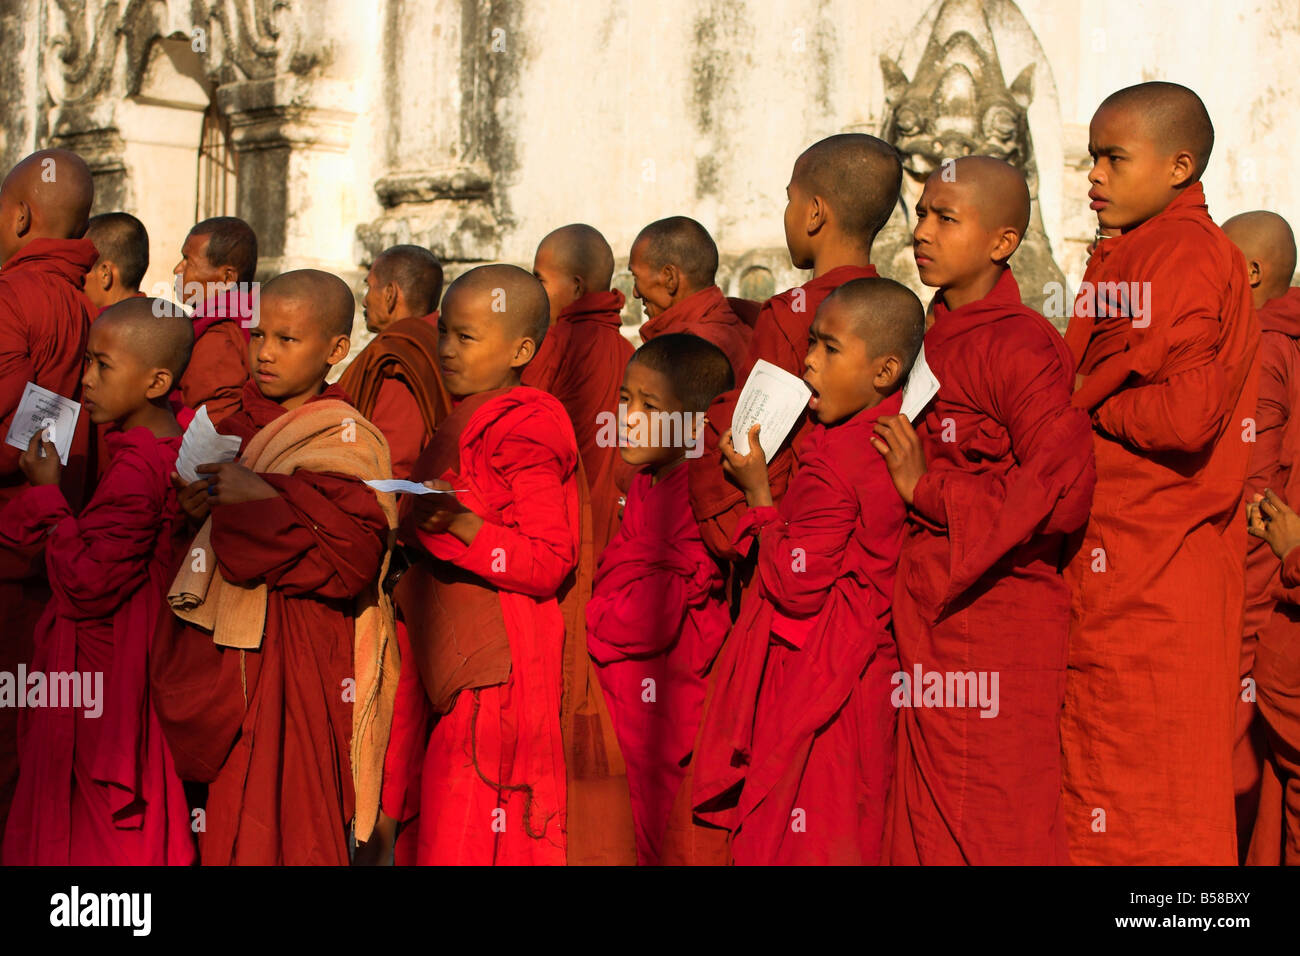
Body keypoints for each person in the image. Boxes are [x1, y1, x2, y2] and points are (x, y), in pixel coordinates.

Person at [875, 157, 1096, 864]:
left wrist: (928, 489)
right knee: (926, 818)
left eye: (946, 218)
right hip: (928, 605)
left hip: (994, 615)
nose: (922, 231)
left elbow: (1062, 491)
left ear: (1002, 242)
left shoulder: (1021, 344)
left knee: (992, 816)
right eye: (921, 213)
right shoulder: (925, 333)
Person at [1061, 81, 1259, 864]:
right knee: (1115, 788)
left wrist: (1081, 405)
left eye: (1114, 158)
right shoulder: (1142, 247)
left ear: (1180, 166)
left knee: (1147, 802)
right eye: (1092, 158)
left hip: (1154, 572)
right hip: (1129, 566)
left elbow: (1183, 417)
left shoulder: (1179, 252)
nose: (1094, 177)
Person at [151, 270, 398, 865]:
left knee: (292, 819)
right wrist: (198, 513)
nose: (264, 353)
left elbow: (353, 560)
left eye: (287, 340)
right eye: (259, 334)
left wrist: (258, 498)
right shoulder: (235, 424)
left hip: (305, 649)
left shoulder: (346, 439)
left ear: (336, 351)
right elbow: (201, 545)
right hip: (229, 659)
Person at [692, 276, 922, 864]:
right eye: (812, 343)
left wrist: (760, 495)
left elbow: (795, 585)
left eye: (830, 349)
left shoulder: (836, 461)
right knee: (846, 826)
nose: (810, 363)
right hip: (865, 672)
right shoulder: (892, 434)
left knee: (803, 832)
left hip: (817, 674)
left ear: (885, 371)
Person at [393, 264, 581, 865]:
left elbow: (551, 559)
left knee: (470, 831)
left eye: (467, 337)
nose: (447, 350)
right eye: (444, 332)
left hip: (496, 671)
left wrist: (465, 527)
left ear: (521, 349)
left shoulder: (524, 424)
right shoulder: (467, 414)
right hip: (449, 648)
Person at [0, 298, 196, 864]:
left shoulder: (136, 469)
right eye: (87, 361)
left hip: (104, 676)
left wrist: (45, 493)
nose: (85, 380)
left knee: (89, 824)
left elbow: (86, 582)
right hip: (138, 658)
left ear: (157, 381)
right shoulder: (167, 445)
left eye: (103, 366)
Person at [586, 333, 733, 865]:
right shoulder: (647, 482)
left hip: (670, 703)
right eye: (626, 399)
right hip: (625, 700)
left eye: (651, 407)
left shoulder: (700, 494)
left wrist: (588, 611)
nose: (627, 417)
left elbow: (641, 617)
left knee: (666, 835)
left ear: (693, 425)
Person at [0, 148, 97, 850]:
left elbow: (17, 432)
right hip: (51, 534)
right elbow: (39, 430)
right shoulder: (87, 305)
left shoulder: (13, 297)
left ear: (22, 216)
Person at [524, 224, 633, 555]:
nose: (533, 291)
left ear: (575, 288)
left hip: (562, 530)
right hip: (619, 532)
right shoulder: (630, 352)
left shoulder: (552, 348)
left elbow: (524, 443)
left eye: (540, 279)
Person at [338, 244, 451, 479]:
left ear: (390, 294)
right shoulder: (440, 341)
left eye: (369, 287)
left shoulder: (401, 356)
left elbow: (393, 462)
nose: (365, 301)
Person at [628, 217, 752, 378]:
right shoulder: (744, 326)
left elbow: (632, 402)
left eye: (635, 277)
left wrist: (622, 403)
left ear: (669, 278)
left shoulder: (683, 351)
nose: (635, 293)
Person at [172, 216, 258, 423]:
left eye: (188, 261)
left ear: (227, 278)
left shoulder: (218, 335)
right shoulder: (249, 310)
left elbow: (211, 428)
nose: (177, 269)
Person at [82, 212, 149, 312]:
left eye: (81, 268)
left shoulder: (101, 326)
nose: (75, 278)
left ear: (105, 274)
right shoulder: (156, 318)